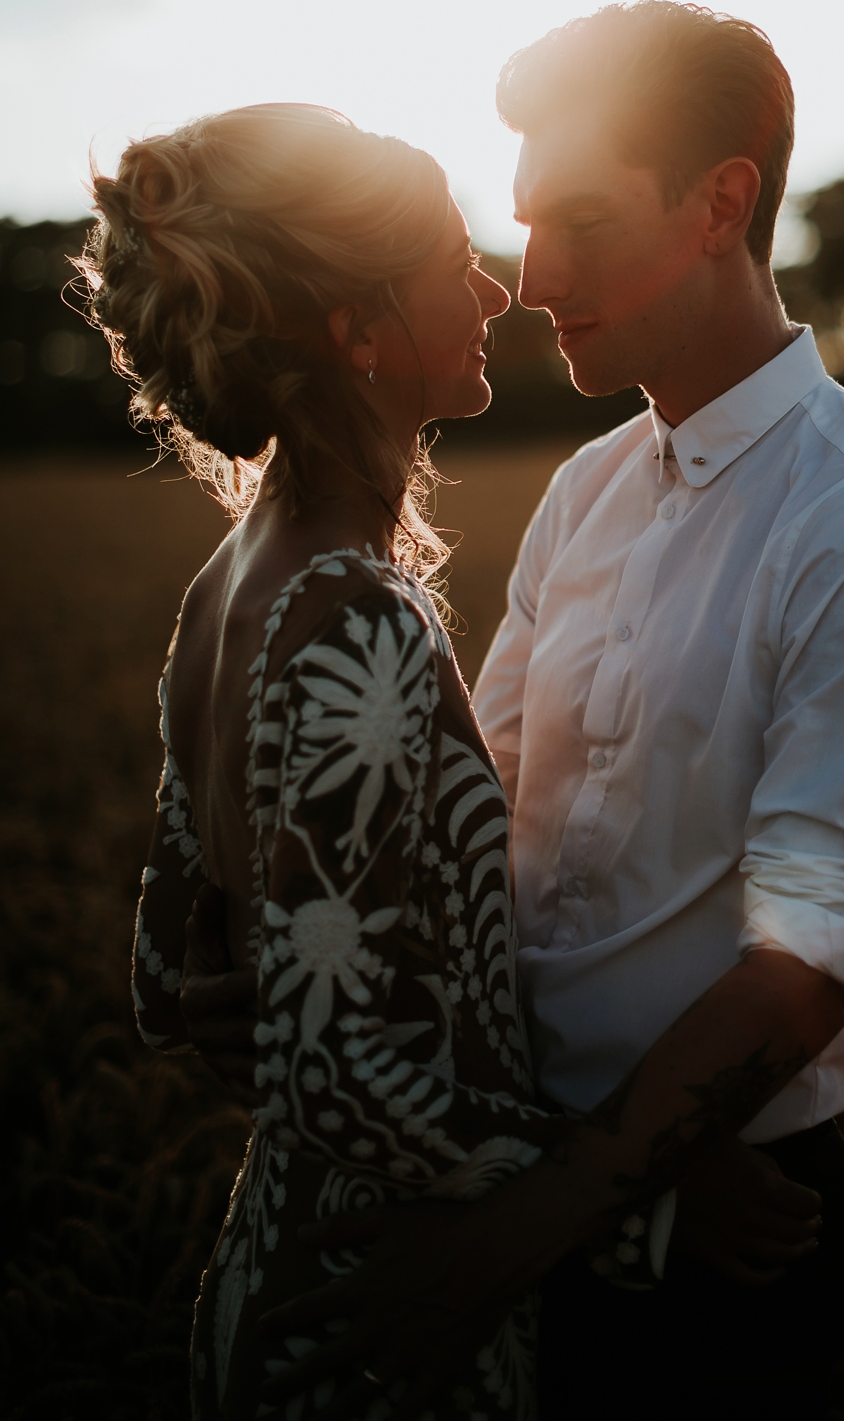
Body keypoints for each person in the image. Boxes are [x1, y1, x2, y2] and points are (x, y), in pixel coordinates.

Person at [162, 1, 844, 1420]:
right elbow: (476, 853)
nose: (533, 273)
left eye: (582, 223)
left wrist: (564, 1207)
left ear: (720, 203)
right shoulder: (588, 489)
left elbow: (817, 952)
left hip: (722, 1244)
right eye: (520, 226)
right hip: (556, 1175)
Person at [84, 104, 567, 1420]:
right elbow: (330, 1064)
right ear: (356, 323)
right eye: (450, 263)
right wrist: (619, 1192)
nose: (491, 290)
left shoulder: (226, 586)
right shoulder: (350, 609)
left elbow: (168, 974)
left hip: (278, 1280)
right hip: (383, 1320)